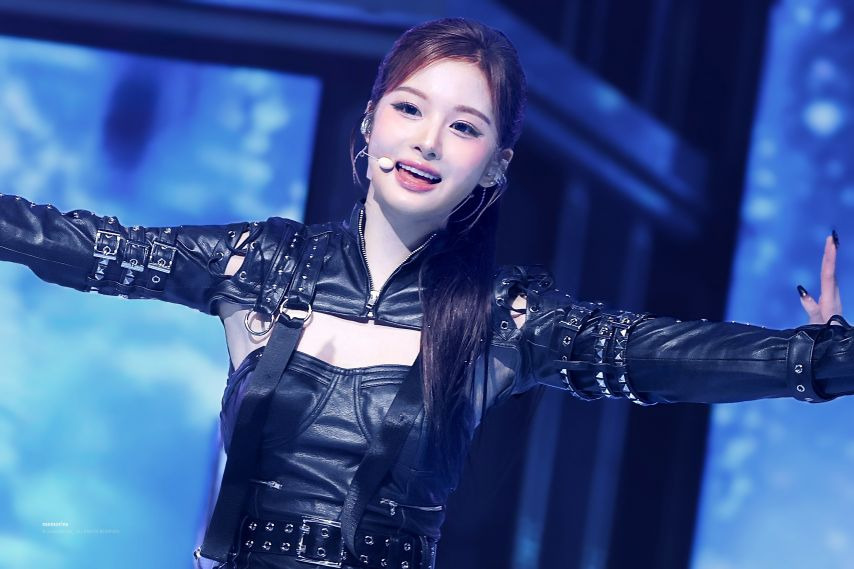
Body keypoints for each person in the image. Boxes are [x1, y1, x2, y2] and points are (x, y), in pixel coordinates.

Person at [0, 17, 851, 569]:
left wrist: (814, 358)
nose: (428, 141)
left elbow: (648, 355)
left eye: (464, 126)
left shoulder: (503, 317)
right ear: (370, 120)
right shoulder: (264, 262)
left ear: (496, 165)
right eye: (410, 109)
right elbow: (96, 248)